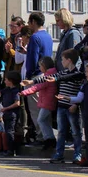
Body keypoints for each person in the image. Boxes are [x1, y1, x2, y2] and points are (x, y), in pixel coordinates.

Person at [25, 49, 84, 164]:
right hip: (61, 106)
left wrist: (76, 104)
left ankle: (78, 154)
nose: (61, 62)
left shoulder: (77, 75)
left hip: (71, 107)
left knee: (76, 132)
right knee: (61, 131)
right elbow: (48, 78)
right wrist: (32, 82)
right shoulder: (62, 72)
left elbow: (80, 91)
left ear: (69, 60)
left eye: (63, 59)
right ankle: (59, 154)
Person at [59, 61, 88, 167]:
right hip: (86, 117)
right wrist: (66, 98)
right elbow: (79, 98)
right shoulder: (85, 86)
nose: (85, 73)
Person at [25, 12, 54, 142]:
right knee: (43, 107)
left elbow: (32, 59)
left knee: (35, 108)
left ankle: (41, 135)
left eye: (29, 22)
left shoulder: (35, 37)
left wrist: (28, 75)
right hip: (46, 73)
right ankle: (46, 134)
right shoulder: (48, 36)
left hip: (36, 74)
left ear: (33, 22)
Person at [19, 57, 58, 149]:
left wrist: (24, 92)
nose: (39, 68)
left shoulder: (48, 76)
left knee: (41, 120)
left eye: (40, 66)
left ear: (44, 66)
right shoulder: (49, 74)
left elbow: (38, 86)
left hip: (47, 102)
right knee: (45, 120)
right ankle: (49, 139)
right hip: (46, 101)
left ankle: (49, 139)